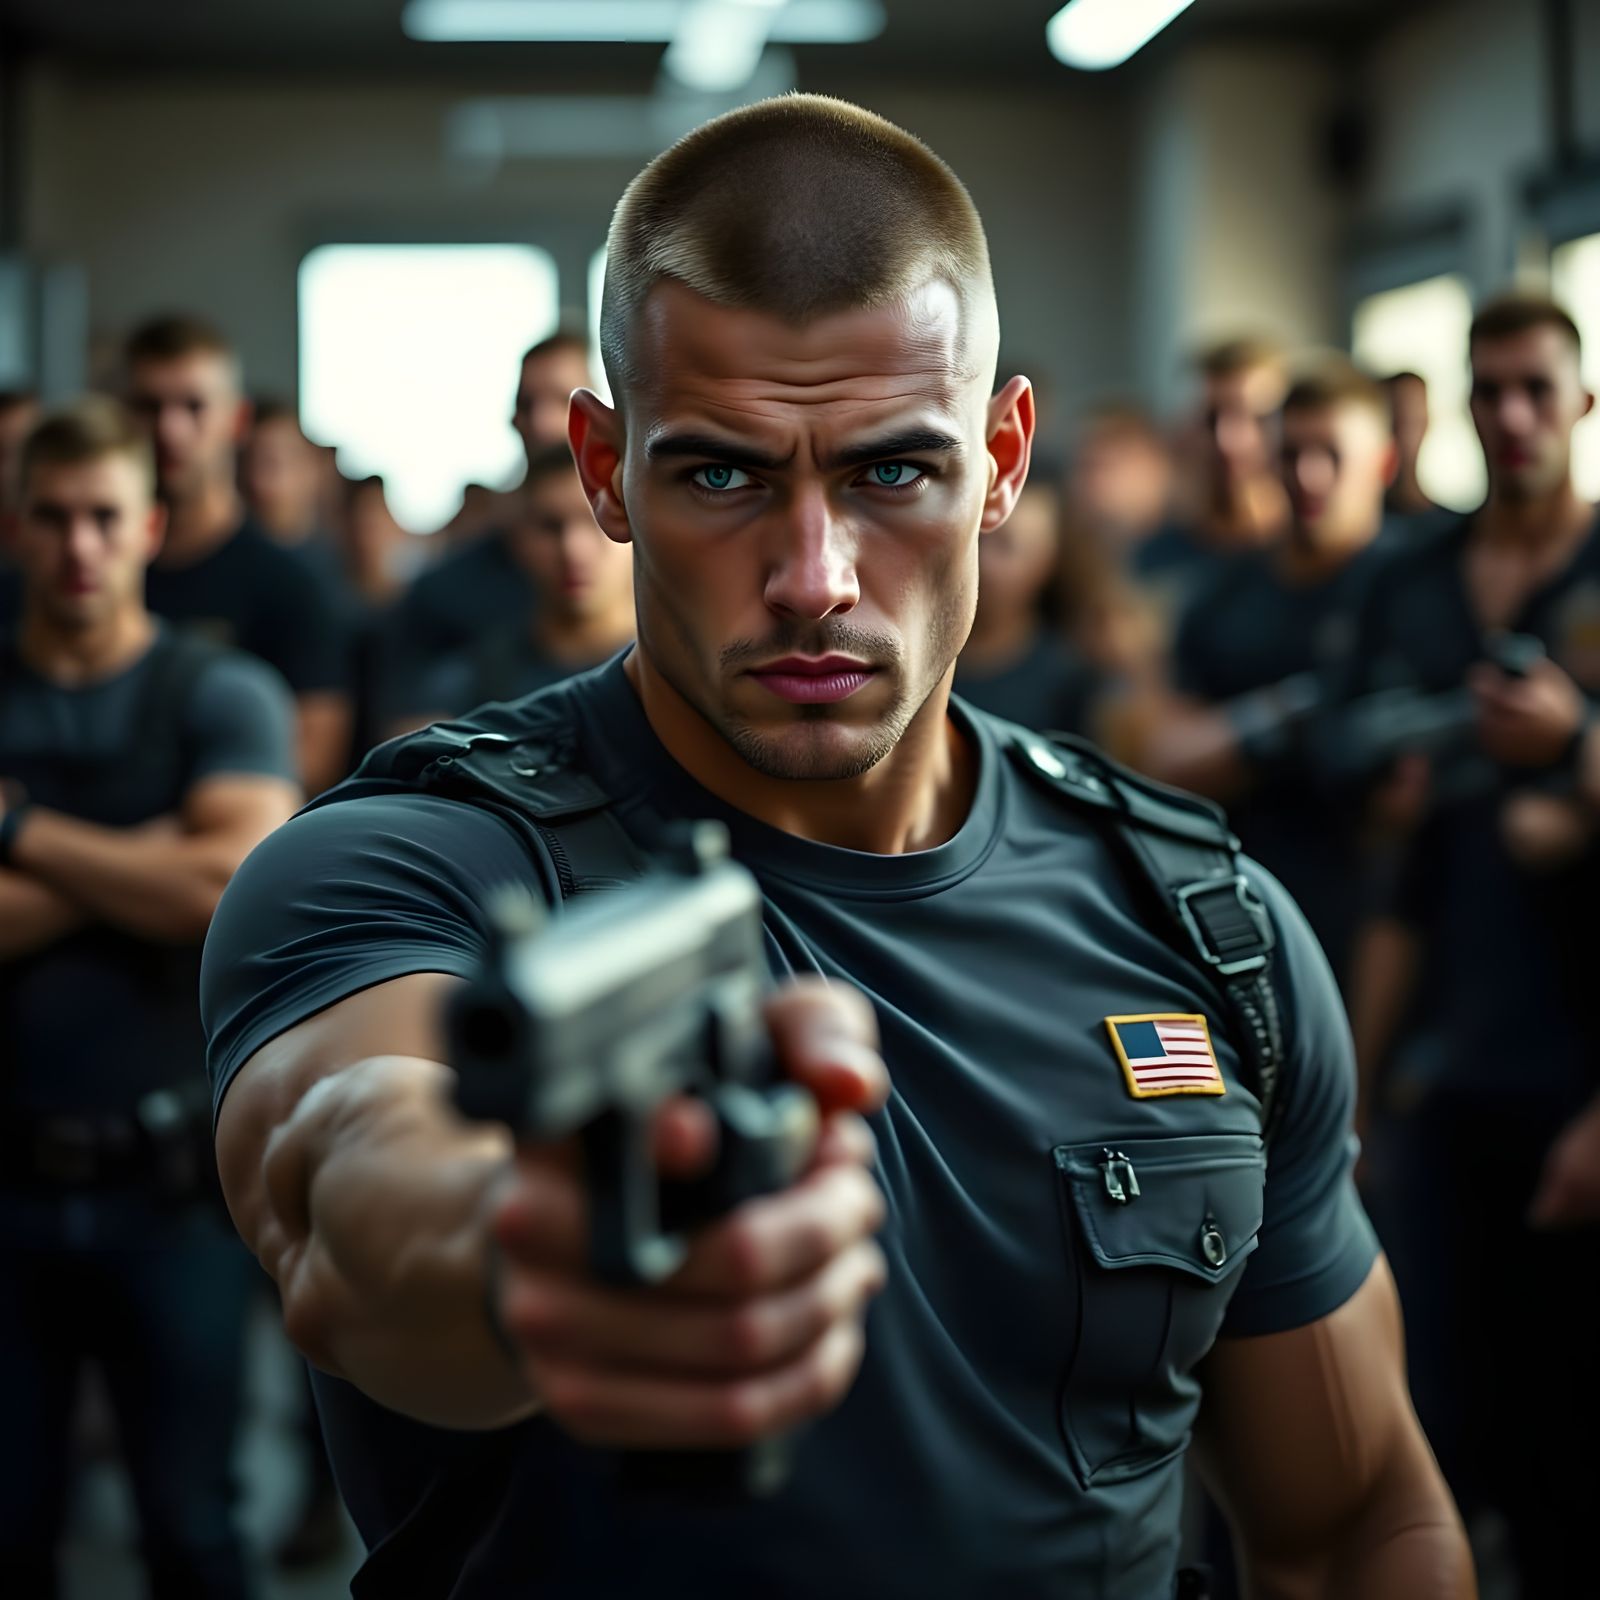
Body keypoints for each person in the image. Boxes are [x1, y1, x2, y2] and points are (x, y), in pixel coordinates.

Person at [200, 96, 1470, 1599]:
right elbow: (338, 1172)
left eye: (891, 473)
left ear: (1002, 459)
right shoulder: (414, 868)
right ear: (605, 470)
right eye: (723, 474)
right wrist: (522, 1256)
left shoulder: (1206, 925)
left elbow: (1363, 1518)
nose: (813, 580)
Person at [0, 398, 299, 1596]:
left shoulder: (222, 691)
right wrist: (148, 856)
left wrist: (22, 829)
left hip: (173, 1188)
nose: (80, 545)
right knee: (9, 1533)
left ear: (152, 527)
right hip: (6, 1185)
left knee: (194, 1528)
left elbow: (232, 886)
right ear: (17, 528)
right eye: (54, 517)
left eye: (105, 518)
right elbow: (187, 875)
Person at [1345, 292, 1600, 1596]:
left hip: (1577, 1085)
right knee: (1435, 1427)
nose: (1510, 416)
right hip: (1442, 1070)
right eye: (1487, 389)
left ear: (1581, 404)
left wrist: (1576, 751)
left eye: (1535, 390)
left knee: (1574, 1457)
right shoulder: (1410, 580)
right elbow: (1403, 867)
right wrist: (1353, 1092)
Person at [1133, 363, 1399, 983]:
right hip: (1248, 901)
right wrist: (1300, 711)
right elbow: (1170, 757)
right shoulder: (1227, 593)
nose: (1309, 476)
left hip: (1392, 916)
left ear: (1381, 464)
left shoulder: (1421, 588)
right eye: (1292, 453)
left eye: (1331, 454)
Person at [124, 314, 352, 796]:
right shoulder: (85, 576)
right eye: (149, 406)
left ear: (237, 419)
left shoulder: (290, 585)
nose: (170, 429)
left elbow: (313, 761)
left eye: (193, 405)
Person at [384, 330, 595, 709]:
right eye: (528, 404)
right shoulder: (443, 593)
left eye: (563, 399)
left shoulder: (662, 571)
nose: (543, 422)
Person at [395, 445, 633, 729]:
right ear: (518, 543)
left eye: (597, 521)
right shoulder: (468, 687)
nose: (573, 549)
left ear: (636, 528)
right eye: (550, 526)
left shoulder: (681, 673)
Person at [1133, 338, 1290, 617]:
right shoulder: (1153, 564)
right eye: (1210, 418)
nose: (1229, 441)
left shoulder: (1317, 558)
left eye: (1257, 417)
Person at [954, 473, 1100, 736]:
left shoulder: (1069, 678)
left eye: (1006, 547)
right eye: (977, 537)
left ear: (1047, 564)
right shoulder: (920, 654)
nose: (983, 561)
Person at [241, 398, 345, 587]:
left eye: (273, 462)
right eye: (247, 462)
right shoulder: (229, 563)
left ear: (312, 469)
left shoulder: (345, 568)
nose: (257, 480)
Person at [1382, 371, 1440, 523]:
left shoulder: (1447, 526)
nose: (1406, 435)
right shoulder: (1356, 524)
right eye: (1399, 420)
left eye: (1415, 420)